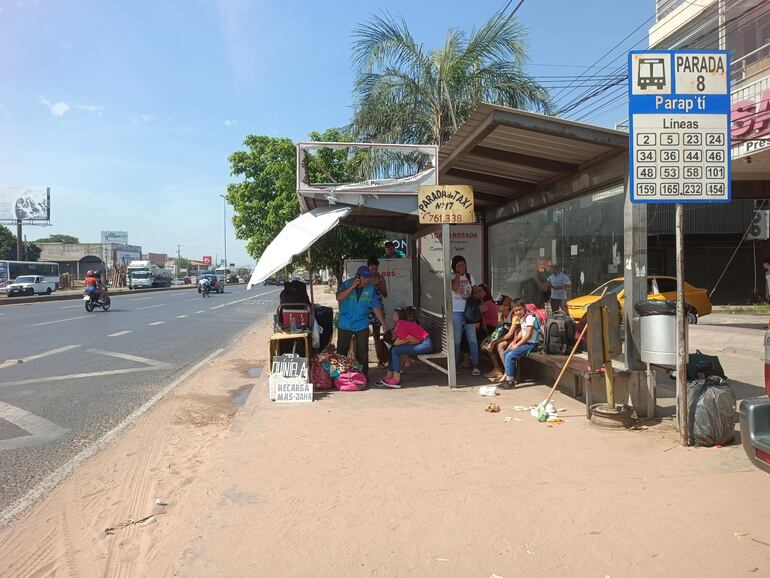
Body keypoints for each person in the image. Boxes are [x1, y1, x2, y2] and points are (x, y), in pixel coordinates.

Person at [336, 265, 388, 376]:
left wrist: (383, 324)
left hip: (361, 324)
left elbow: (376, 307)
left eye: (368, 278)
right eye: (364, 278)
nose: (366, 281)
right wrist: (352, 286)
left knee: (362, 353)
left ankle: (362, 375)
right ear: (357, 276)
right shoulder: (347, 284)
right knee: (341, 352)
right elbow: (339, 297)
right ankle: (339, 376)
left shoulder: (370, 289)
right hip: (345, 323)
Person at [379, 308, 433, 388]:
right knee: (394, 349)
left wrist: (403, 343)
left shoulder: (400, 332)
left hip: (425, 344)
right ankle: (390, 375)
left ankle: (396, 380)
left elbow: (416, 341)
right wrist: (402, 343)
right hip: (423, 342)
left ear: (394, 337)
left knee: (395, 350)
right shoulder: (398, 325)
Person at [499, 298, 540, 388]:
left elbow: (528, 335)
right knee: (506, 353)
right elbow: (522, 332)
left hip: (531, 344)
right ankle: (510, 376)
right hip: (525, 343)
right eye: (515, 310)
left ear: (524, 307)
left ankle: (510, 382)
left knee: (510, 356)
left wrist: (517, 345)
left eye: (520, 309)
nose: (518, 312)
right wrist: (514, 342)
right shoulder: (522, 317)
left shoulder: (530, 317)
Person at [451, 255, 480, 376]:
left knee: (472, 338)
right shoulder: (451, 276)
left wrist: (474, 293)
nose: (462, 267)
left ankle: (476, 365)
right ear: (454, 266)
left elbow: (476, 291)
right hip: (456, 310)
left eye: (464, 264)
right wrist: (458, 274)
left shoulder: (470, 276)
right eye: (459, 265)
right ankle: (454, 364)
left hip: (468, 309)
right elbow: (454, 288)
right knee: (456, 338)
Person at [367, 257, 389, 368]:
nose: (374, 271)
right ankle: (362, 360)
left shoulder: (381, 277)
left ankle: (380, 360)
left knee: (376, 335)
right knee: (362, 334)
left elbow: (385, 294)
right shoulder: (363, 278)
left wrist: (381, 286)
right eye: (372, 269)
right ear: (368, 268)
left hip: (378, 308)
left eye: (376, 269)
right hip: (366, 308)